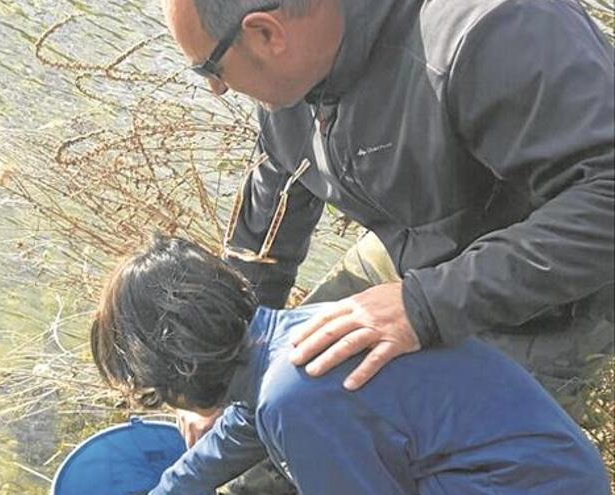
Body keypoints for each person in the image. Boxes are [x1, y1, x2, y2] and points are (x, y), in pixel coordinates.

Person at [162, 0, 615, 481]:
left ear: (267, 34)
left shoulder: (494, 30)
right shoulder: (292, 78)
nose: (215, 89)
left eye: (209, 69)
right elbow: (268, 224)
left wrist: (424, 305)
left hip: (547, 300)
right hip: (412, 250)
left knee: (453, 459)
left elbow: (606, 200)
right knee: (271, 420)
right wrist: (223, 364)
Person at [90, 235, 610, 494]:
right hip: (547, 466)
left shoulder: (293, 399)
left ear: (178, 366)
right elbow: (242, 426)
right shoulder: (287, 344)